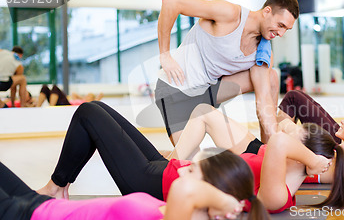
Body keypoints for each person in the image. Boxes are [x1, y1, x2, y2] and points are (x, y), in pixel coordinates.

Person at [36, 101, 269, 220]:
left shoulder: (277, 165)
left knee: (88, 112)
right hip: (165, 168)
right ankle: (59, 186)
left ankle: (55, 186)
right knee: (98, 108)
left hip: (152, 181)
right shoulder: (265, 154)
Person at [156, 0, 299, 146]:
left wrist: (276, 143)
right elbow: (170, 3)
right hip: (175, 89)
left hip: (207, 91)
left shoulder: (263, 52)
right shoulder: (230, 14)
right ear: (267, 11)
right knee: (188, 161)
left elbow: (264, 100)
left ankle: (267, 150)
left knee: (271, 77)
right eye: (280, 25)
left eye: (286, 29)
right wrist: (165, 55)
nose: (281, 33)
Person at [167, 102, 344, 212]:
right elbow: (281, 132)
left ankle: (171, 163)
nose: (343, 122)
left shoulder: (280, 192)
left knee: (203, 113)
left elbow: (280, 138)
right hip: (178, 171)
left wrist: (315, 160)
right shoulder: (286, 169)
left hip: (170, 178)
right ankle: (172, 162)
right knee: (203, 111)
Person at [0, 159, 248, 220]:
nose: (181, 172)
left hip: (24, 215)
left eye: (192, 171)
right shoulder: (171, 209)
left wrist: (226, 202)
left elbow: (186, 189)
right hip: (39, 204)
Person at [36, 84, 103, 107]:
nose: (87, 96)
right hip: (65, 102)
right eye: (87, 95)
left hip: (67, 104)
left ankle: (51, 107)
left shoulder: (89, 103)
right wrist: (83, 98)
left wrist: (93, 99)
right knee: (44, 87)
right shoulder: (81, 100)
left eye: (89, 96)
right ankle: (37, 107)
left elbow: (100, 96)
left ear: (92, 99)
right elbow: (73, 94)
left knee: (55, 88)